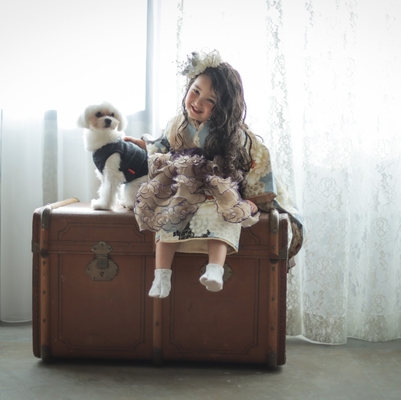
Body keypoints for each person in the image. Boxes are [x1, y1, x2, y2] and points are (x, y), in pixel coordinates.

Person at [125, 50, 303, 298]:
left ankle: (215, 268)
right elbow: (162, 145)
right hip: (183, 187)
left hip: (216, 189)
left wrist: (253, 200)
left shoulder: (234, 134)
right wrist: (143, 145)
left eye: (210, 100)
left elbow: (256, 160)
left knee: (224, 214)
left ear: (223, 108)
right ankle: (161, 275)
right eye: (195, 91)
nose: (198, 102)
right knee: (167, 213)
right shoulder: (176, 123)